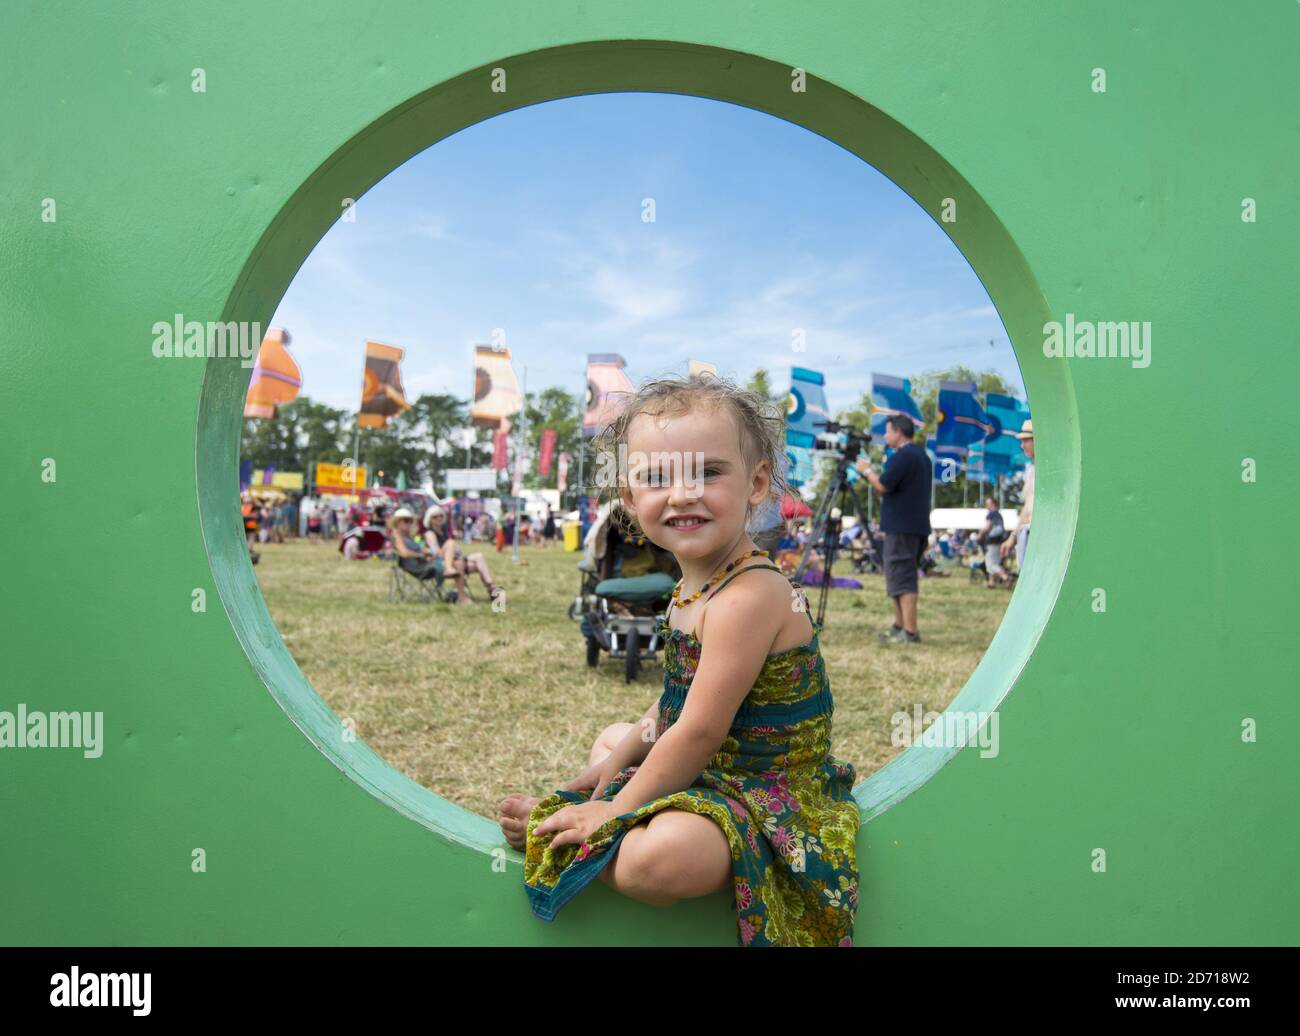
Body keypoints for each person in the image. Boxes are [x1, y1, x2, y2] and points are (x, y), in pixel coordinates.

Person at [502, 371, 860, 947]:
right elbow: (669, 705)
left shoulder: (750, 593)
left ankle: (599, 840)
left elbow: (695, 731)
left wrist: (610, 812)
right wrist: (593, 783)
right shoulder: (691, 588)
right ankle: (614, 811)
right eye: (658, 479)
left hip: (767, 786)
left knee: (658, 859)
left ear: (757, 483)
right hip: (716, 768)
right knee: (613, 738)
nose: (684, 493)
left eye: (709, 472)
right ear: (629, 498)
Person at [854, 414, 932, 643]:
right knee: (898, 575)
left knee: (903, 577)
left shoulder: (904, 455)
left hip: (902, 527)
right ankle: (900, 626)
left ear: (899, 432)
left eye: (888, 431)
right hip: (915, 526)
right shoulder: (921, 456)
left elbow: (884, 486)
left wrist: (866, 471)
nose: (886, 436)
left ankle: (910, 632)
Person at [424, 505, 502, 602]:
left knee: (479, 556)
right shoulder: (430, 534)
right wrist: (450, 548)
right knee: (453, 548)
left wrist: (453, 551)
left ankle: (491, 586)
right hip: (444, 562)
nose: (439, 518)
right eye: (435, 517)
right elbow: (437, 553)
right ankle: (472, 595)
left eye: (441, 516)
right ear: (429, 519)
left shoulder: (443, 531)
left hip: (454, 559)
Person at [389, 508, 461, 600]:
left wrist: (428, 552)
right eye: (406, 521)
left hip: (423, 563)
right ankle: (456, 593)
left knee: (454, 562)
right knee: (451, 564)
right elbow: (405, 553)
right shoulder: (397, 536)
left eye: (410, 521)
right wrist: (421, 555)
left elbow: (420, 550)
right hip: (417, 568)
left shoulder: (408, 536)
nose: (409, 524)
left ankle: (457, 593)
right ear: (397, 522)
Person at [1002, 420, 1035, 574]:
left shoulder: (1053, 468)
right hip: (1027, 532)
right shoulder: (1030, 470)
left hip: (1041, 535)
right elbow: (1026, 508)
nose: (1022, 445)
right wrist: (1012, 537)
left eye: (1026, 440)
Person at [977, 497, 1011, 588]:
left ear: (993, 504)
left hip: (991, 542)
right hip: (999, 541)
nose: (986, 506)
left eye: (987, 504)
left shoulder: (991, 514)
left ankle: (1005, 577)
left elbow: (987, 526)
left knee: (991, 564)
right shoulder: (999, 515)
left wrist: (980, 534)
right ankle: (991, 582)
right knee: (992, 562)